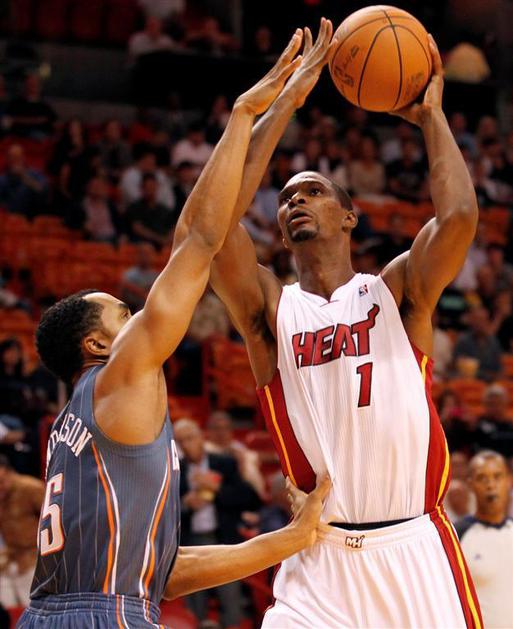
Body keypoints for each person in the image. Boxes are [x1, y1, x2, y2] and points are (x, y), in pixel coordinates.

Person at [17, 31, 312, 628]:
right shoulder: (120, 375)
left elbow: (160, 573)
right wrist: (246, 113)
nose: (139, 317)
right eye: (123, 316)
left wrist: (289, 540)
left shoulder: (74, 426)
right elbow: (200, 238)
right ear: (97, 345)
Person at [210, 31, 483, 627]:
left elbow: (460, 216)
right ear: (280, 229)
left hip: (413, 547)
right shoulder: (270, 309)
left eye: (313, 192)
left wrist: (431, 118)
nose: (296, 202)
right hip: (319, 556)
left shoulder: (395, 292)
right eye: (286, 199)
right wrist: (282, 105)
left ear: (349, 217)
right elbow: (212, 226)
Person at [175, 418, 260, 627]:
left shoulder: (224, 463)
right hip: (192, 543)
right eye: (181, 440)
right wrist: (185, 505)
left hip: (223, 539)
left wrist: (217, 489)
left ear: (201, 437)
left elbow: (249, 498)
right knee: (195, 600)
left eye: (190, 438)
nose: (187, 444)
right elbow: (165, 512)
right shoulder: (176, 470)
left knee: (230, 595)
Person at [457, 451, 513, 628]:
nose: (491, 485)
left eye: (497, 476)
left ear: (509, 480)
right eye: (482, 478)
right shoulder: (457, 535)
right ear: (470, 484)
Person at [0, 455, 45, 608]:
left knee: (32, 608)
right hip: (9, 559)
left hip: (34, 559)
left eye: (1, 481)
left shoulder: (31, 488)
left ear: (9, 472)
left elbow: (54, 522)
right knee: (8, 608)